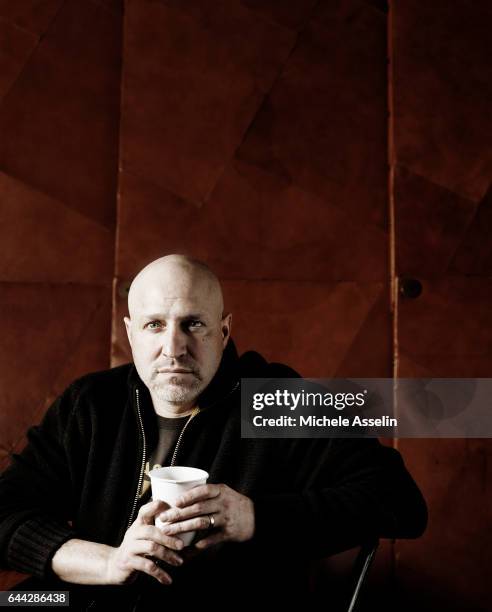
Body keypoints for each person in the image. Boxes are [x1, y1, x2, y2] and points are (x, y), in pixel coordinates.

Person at [0, 255, 427, 610]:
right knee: (21, 604)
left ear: (223, 332)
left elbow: (400, 500)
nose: (174, 348)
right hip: (86, 595)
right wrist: (109, 563)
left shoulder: (280, 400)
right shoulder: (91, 404)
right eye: (154, 325)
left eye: (193, 324)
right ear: (130, 333)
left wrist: (255, 518)